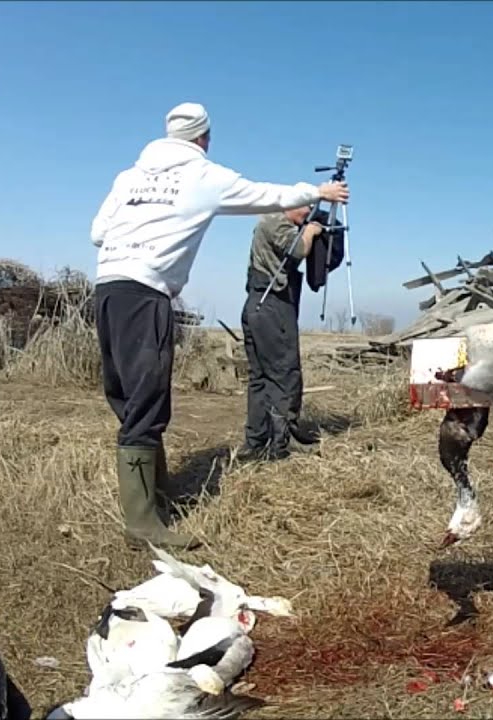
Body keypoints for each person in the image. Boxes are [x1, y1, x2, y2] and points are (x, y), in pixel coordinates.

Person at [89, 102, 350, 550]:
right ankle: (142, 523)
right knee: (148, 398)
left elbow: (98, 231)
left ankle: (157, 496)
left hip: (108, 286)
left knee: (127, 396)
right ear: (203, 138)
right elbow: (263, 193)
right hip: (147, 290)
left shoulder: (128, 176)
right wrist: (320, 192)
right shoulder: (201, 176)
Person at [238, 207, 324, 461]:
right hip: (271, 303)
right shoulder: (276, 222)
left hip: (257, 303)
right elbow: (298, 249)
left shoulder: (269, 222)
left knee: (260, 378)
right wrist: (309, 232)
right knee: (284, 373)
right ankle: (280, 443)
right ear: (290, 204)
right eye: (305, 209)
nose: (307, 215)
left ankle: (256, 440)